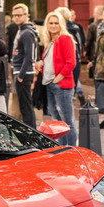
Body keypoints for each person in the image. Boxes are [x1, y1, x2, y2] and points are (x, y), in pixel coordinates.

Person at [35, 11, 77, 146]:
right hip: (49, 85)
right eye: (51, 23)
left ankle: (71, 151)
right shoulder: (49, 41)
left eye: (56, 23)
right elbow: (52, 61)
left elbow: (71, 62)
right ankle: (63, 149)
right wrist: (41, 63)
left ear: (61, 24)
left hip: (62, 85)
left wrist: (57, 79)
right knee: (56, 121)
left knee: (67, 121)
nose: (53, 26)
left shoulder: (65, 38)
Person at [11, 3, 39, 128]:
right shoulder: (20, 30)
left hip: (24, 73)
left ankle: (31, 131)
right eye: (14, 15)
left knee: (26, 106)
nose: (16, 18)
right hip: (19, 71)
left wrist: (21, 75)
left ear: (26, 15)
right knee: (23, 105)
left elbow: (30, 57)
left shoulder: (27, 32)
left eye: (19, 15)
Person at [56, 7, 85, 106]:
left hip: (66, 65)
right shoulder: (76, 28)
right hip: (76, 61)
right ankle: (79, 94)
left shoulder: (65, 32)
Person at [84, 5, 103, 78]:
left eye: (94, 12)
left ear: (98, 13)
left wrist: (86, 52)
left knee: (96, 78)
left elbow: (88, 41)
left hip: (94, 54)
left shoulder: (92, 26)